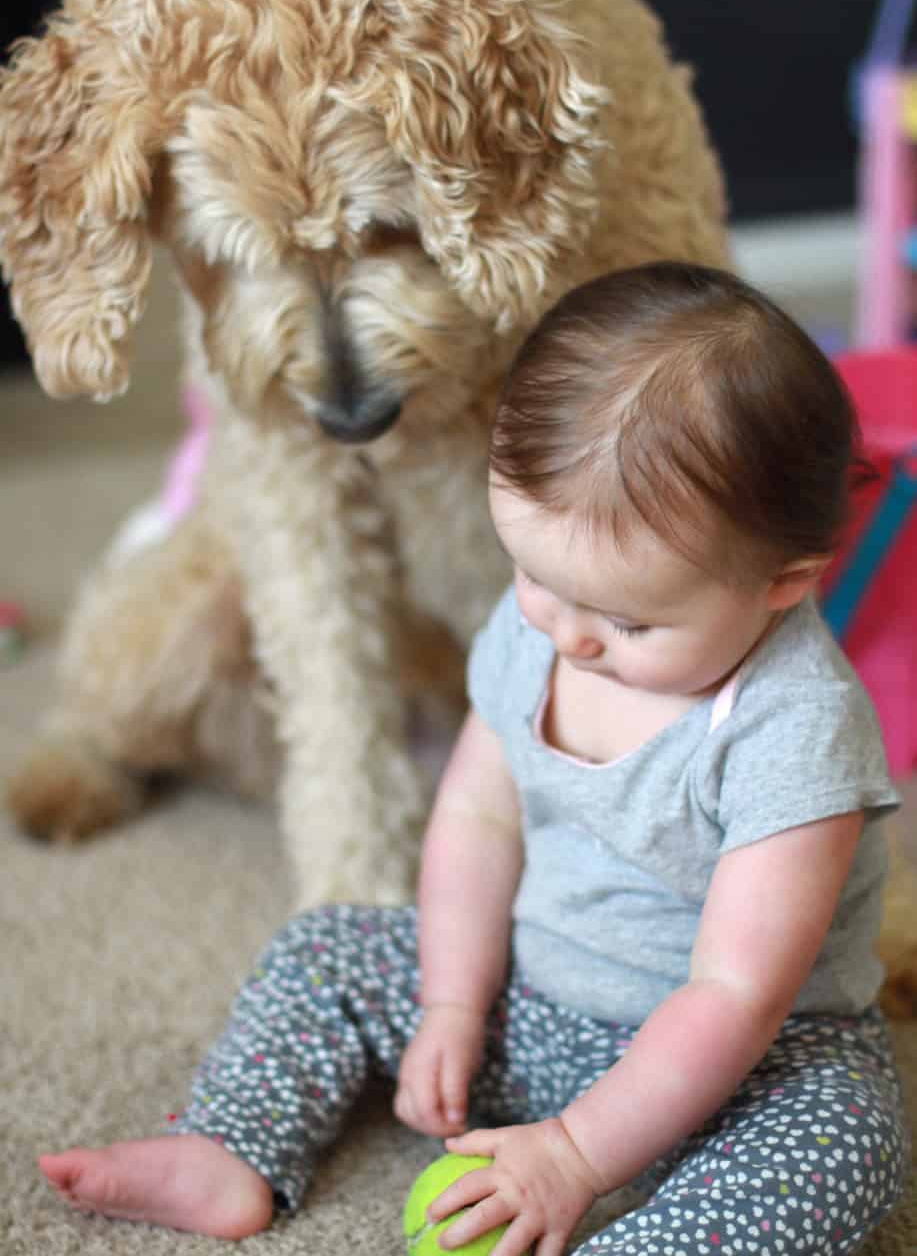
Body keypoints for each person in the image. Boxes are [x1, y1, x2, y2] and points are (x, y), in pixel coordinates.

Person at [38, 263, 910, 1254]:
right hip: (527, 996)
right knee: (325, 946)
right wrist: (453, 996)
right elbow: (476, 815)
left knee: (843, 1146)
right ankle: (227, 1145)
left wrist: (576, 1156)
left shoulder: (793, 728)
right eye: (534, 576)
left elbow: (734, 994)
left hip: (746, 1062)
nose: (568, 636)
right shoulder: (539, 623)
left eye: (626, 621)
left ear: (783, 584)